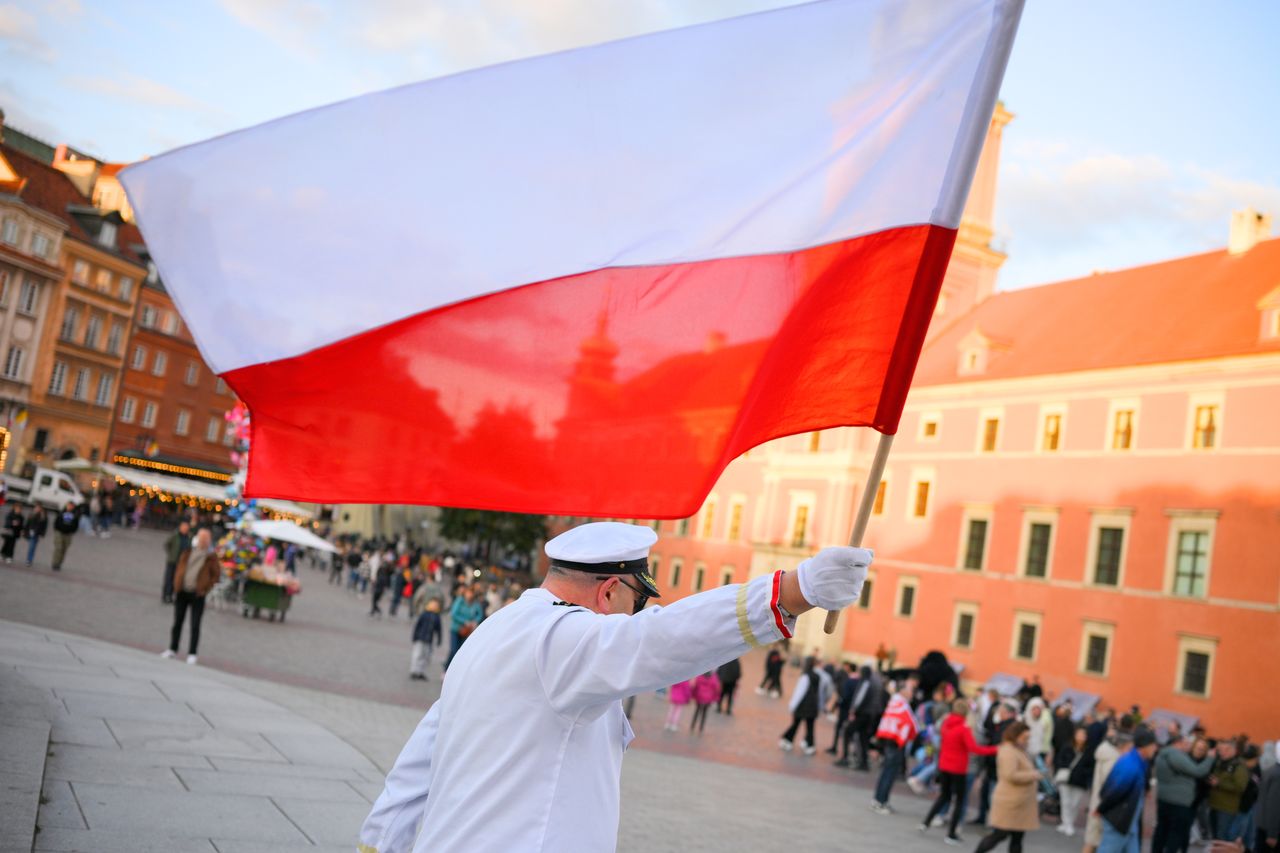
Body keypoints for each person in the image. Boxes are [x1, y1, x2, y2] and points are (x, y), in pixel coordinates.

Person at [358, 522, 871, 852]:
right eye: (637, 601)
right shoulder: (561, 638)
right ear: (608, 591)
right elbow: (657, 640)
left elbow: (413, 772)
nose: (636, 613)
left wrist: (379, 845)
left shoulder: (498, 628)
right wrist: (792, 592)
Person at [919, 698, 997, 844]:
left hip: (944, 765)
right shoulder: (963, 729)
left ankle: (926, 822)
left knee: (944, 796)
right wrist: (994, 749)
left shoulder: (946, 725)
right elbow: (974, 749)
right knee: (959, 801)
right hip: (958, 768)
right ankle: (951, 833)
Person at [973, 721, 1040, 852]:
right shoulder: (1008, 750)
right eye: (1024, 738)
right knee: (999, 835)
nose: (1027, 741)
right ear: (1015, 736)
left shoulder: (1018, 750)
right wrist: (1033, 775)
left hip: (1019, 802)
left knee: (1017, 838)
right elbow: (1010, 775)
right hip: (1010, 802)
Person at [160, 529, 219, 665]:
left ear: (209, 540)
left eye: (206, 538)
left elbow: (216, 576)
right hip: (183, 591)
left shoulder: (211, 556)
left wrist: (205, 588)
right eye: (201, 538)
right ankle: (172, 649)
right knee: (177, 622)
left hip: (198, 594)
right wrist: (177, 583)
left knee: (195, 624)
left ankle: (192, 653)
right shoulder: (188, 551)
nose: (203, 540)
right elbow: (179, 568)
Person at [1096, 725, 1159, 852]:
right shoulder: (1132, 765)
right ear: (1144, 746)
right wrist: (1101, 808)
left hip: (1128, 822)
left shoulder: (1139, 762)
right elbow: (1115, 791)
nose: (1155, 749)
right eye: (1153, 745)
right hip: (1119, 820)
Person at [1152, 733, 1216, 852]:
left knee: (1165, 830)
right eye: (1188, 744)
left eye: (1202, 749)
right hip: (1180, 803)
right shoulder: (1177, 755)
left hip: (1174, 800)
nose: (1189, 747)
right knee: (1174, 833)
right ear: (1179, 743)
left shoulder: (1167, 754)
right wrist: (1210, 758)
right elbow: (1197, 771)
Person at [1084, 717, 1135, 853]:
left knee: (1093, 841)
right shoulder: (1112, 757)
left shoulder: (1106, 752)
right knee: (1095, 843)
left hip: (1099, 804)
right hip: (1103, 807)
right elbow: (1111, 784)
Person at [871, 673, 920, 815]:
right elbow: (910, 724)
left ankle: (881, 799)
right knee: (889, 772)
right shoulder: (901, 704)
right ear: (903, 690)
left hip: (891, 741)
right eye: (910, 690)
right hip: (895, 743)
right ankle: (880, 801)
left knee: (888, 771)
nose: (912, 693)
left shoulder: (896, 702)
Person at [780, 656, 828, 755]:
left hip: (803, 706)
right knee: (810, 726)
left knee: (796, 724)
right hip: (813, 706)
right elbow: (819, 692)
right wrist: (820, 705)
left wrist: (792, 705)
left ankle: (787, 740)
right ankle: (810, 745)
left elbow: (799, 692)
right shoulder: (818, 676)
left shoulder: (805, 676)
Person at [1210, 739, 1251, 842]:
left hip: (1227, 808)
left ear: (1234, 751)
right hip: (1214, 804)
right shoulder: (1219, 762)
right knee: (1215, 837)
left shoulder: (1239, 766)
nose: (1223, 752)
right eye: (1221, 750)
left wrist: (1219, 783)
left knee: (1222, 837)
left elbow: (1240, 787)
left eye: (1227, 749)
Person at [1055, 726, 1090, 837]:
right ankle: (1067, 823)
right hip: (1065, 778)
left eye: (1083, 735)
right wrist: (1065, 767)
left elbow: (1090, 766)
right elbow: (1059, 759)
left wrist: (1083, 774)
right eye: (1079, 734)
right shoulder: (1068, 746)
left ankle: (1069, 823)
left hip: (1080, 781)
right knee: (1066, 802)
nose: (1081, 737)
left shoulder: (1088, 750)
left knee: (1075, 803)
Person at [444, 584, 484, 670]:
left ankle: (456, 670)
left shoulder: (475, 604)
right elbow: (454, 614)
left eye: (472, 593)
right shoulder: (460, 601)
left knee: (461, 652)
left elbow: (480, 615)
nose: (470, 595)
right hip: (456, 628)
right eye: (468, 592)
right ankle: (446, 669)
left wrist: (474, 621)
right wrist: (464, 621)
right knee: (453, 650)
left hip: (467, 630)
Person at [410, 599, 443, 681]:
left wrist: (439, 639)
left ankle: (420, 672)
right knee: (417, 655)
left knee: (426, 657)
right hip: (420, 638)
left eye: (436, 605)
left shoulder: (437, 617)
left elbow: (439, 629)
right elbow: (417, 626)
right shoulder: (424, 614)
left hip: (429, 640)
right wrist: (414, 636)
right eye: (433, 604)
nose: (434, 606)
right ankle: (414, 671)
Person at [162, 521, 192, 604]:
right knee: (169, 579)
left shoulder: (189, 537)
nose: (185, 529)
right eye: (184, 527)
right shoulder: (175, 535)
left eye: (187, 528)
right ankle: (166, 596)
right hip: (172, 561)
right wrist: (171, 554)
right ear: (180, 527)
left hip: (182, 563)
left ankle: (175, 597)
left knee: (178, 580)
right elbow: (167, 545)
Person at [1258, 743, 1280, 852]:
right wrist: (1272, 834)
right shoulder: (1278, 775)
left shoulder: (1273, 770)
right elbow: (1274, 806)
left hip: (1266, 827)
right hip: (1272, 831)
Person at [689, 671, 720, 735]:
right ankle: (701, 727)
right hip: (708, 698)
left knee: (697, 711)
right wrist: (715, 698)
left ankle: (693, 725)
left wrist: (693, 695)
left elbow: (696, 686)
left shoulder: (700, 676)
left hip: (699, 696)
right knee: (704, 713)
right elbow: (716, 688)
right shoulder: (714, 677)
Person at [50, 502, 78, 571]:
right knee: (58, 548)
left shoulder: (75, 515)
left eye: (71, 506)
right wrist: (57, 529)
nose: (70, 507)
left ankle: (59, 563)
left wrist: (72, 531)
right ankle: (55, 563)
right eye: (69, 506)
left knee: (64, 549)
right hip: (59, 532)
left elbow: (76, 524)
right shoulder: (61, 513)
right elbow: (56, 522)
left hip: (68, 534)